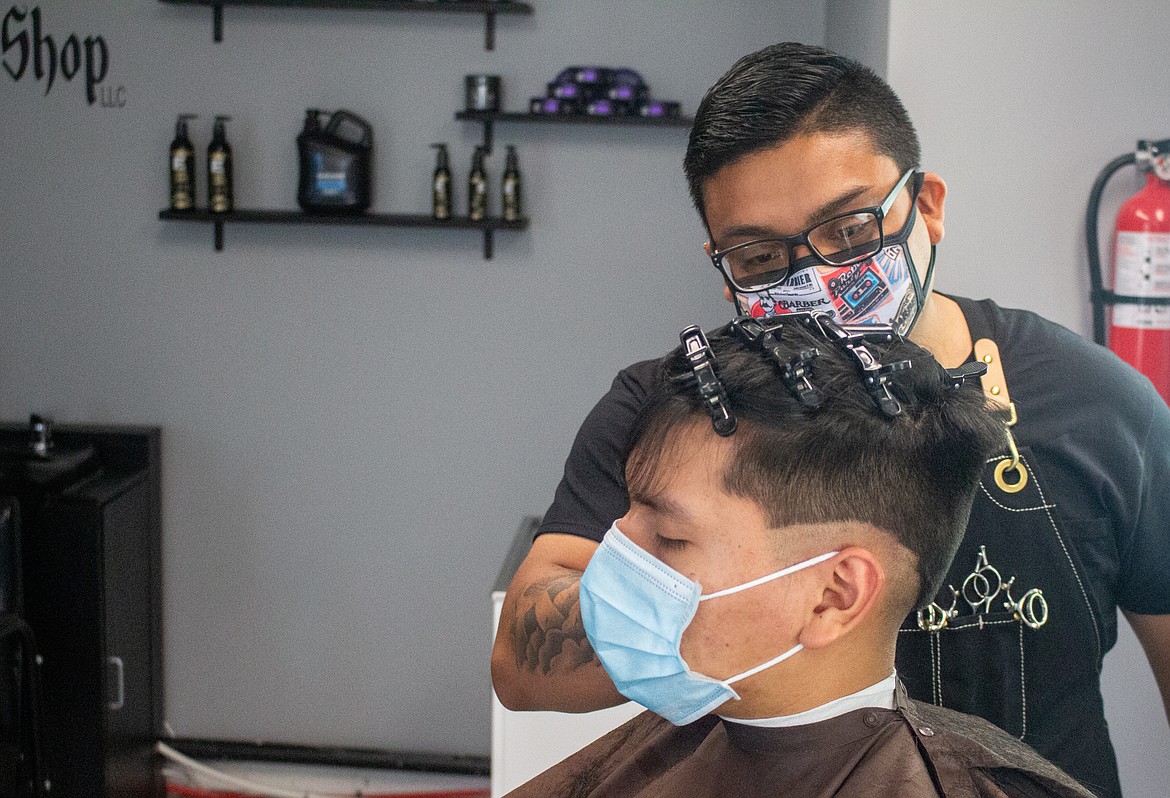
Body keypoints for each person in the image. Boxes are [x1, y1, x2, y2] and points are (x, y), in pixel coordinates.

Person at [491, 42, 1170, 798]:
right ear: (723, 267)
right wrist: (694, 617)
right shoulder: (678, 409)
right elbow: (523, 662)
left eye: (848, 230)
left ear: (929, 206)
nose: (813, 278)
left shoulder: (1100, 407)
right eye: (758, 256)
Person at [504, 316, 1093, 798]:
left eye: (670, 539)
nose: (616, 547)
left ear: (834, 596)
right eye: (627, 511)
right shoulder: (649, 754)